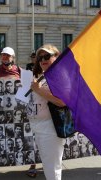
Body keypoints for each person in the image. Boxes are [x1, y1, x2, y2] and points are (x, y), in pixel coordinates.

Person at [28, 44, 65, 180]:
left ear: (56, 57)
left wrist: (39, 90)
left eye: (47, 56)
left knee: (52, 168)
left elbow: (62, 101)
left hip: (51, 127)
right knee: (49, 166)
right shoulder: (42, 76)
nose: (43, 59)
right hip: (38, 126)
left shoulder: (60, 76)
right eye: (40, 57)